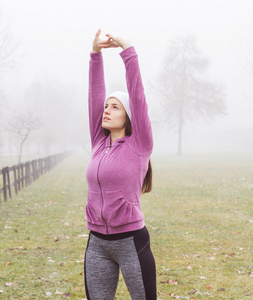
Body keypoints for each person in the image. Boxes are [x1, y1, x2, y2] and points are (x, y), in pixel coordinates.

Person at [84, 29, 156, 300]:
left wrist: (128, 51)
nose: (106, 110)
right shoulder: (98, 143)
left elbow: (138, 96)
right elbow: (94, 95)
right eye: (106, 106)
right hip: (97, 244)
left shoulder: (140, 146)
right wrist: (95, 54)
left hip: (130, 242)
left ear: (128, 116)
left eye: (115, 107)